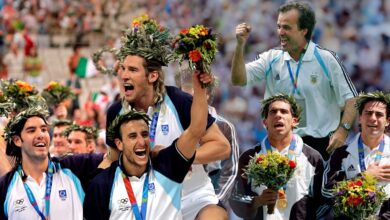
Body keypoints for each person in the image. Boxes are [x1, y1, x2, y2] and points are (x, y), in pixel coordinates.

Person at [105, 16, 230, 220]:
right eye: (123, 69)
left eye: (133, 70)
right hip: (148, 203)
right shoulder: (115, 111)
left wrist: (180, 158)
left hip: (192, 197)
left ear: (152, 76)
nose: (124, 75)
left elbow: (222, 147)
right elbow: (111, 159)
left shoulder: (179, 101)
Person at [230, 1, 357, 160]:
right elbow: (238, 79)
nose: (280, 32)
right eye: (279, 26)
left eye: (287, 27)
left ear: (304, 30)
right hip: (282, 144)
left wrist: (343, 130)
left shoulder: (326, 59)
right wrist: (240, 45)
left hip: (321, 145)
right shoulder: (271, 58)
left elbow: (352, 99)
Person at [84, 71, 214, 219]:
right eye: (132, 136)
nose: (141, 141)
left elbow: (195, 130)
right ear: (119, 144)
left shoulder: (167, 166)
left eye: (145, 134)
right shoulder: (102, 184)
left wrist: (200, 89)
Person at [230, 94, 324, 219]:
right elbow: (236, 198)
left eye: (284, 112)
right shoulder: (249, 158)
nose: (278, 115)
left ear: (294, 121)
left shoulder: (312, 158)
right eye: (273, 112)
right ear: (265, 123)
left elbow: (323, 203)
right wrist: (258, 200)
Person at [0, 107, 105, 219]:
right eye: (31, 130)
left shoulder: (73, 167)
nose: (41, 135)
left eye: (44, 129)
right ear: (17, 140)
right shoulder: (5, 185)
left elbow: (112, 157)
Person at [322, 91, 390, 219]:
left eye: (379, 114)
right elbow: (326, 191)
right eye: (368, 113)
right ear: (360, 118)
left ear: (387, 121)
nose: (373, 118)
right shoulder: (341, 153)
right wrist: (364, 177)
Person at [176, 67, 239, 205]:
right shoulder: (174, 122)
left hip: (210, 194)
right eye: (183, 94)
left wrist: (217, 200)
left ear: (207, 94)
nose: (186, 100)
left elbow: (230, 170)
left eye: (192, 95)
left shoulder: (224, 126)